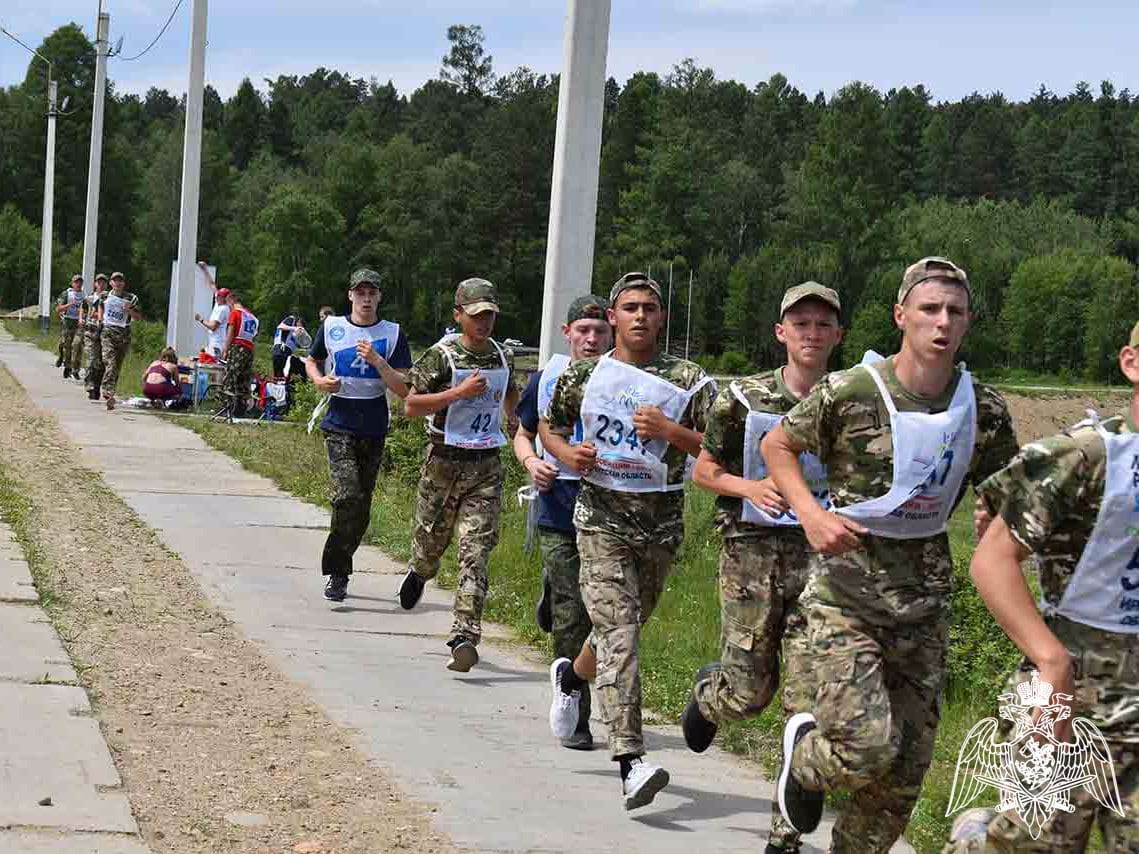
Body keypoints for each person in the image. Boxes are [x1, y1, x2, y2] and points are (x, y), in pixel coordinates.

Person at [760, 257, 1018, 851]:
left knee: (902, 778)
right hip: (845, 596)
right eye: (929, 309)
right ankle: (803, 762)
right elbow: (779, 444)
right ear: (902, 315)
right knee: (866, 746)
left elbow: (1004, 488)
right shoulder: (851, 391)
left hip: (923, 603)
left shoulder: (985, 408)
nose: (942, 322)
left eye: (955, 312)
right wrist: (812, 513)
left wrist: (995, 513)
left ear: (968, 323)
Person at [941, 324, 1139, 853]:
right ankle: (979, 837)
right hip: (1069, 697)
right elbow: (993, 559)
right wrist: (1051, 663)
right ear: (1131, 363)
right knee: (1032, 845)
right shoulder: (1087, 456)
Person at [541, 271, 715, 811]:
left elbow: (723, 447)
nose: (640, 316)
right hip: (600, 519)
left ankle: (571, 677)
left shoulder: (689, 380)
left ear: (661, 318)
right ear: (613, 318)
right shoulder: (585, 375)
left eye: (650, 308)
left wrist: (672, 433)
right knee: (621, 635)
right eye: (630, 307)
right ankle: (631, 761)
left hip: (660, 523)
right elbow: (551, 426)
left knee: (623, 627)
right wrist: (567, 456)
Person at [685, 282, 842, 854]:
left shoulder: (850, 398)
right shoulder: (743, 398)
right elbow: (704, 470)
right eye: (800, 323)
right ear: (781, 333)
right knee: (749, 692)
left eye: (822, 324)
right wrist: (748, 486)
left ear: (837, 336)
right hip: (750, 553)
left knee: (807, 704)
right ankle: (708, 695)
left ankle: (786, 836)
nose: (811, 333)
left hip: (821, 558)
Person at [399, 278, 519, 673]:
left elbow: (510, 392)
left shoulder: (503, 356)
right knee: (431, 543)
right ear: (459, 315)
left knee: (476, 553)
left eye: (489, 315)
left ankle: (464, 636)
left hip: (485, 466)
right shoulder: (441, 356)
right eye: (476, 315)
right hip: (443, 463)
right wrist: (457, 394)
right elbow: (412, 405)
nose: (483, 323)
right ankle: (420, 570)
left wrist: (514, 420)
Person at [512, 294, 612, 750]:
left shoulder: (621, 380)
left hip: (610, 508)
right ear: (566, 333)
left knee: (603, 612)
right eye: (583, 331)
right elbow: (523, 433)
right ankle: (580, 717)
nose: (591, 339)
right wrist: (532, 462)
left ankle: (554, 592)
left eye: (599, 331)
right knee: (574, 616)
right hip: (558, 505)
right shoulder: (547, 376)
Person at [306, 269, 412, 603]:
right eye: (360, 292)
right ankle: (337, 572)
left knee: (361, 507)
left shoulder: (392, 334)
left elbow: (404, 387)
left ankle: (342, 562)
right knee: (347, 495)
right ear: (350, 295)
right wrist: (319, 381)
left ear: (379, 297)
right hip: (340, 421)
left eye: (372, 292)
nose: (366, 298)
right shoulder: (333, 326)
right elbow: (312, 359)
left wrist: (379, 361)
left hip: (374, 423)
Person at [99, 272, 142, 411]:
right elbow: (99, 306)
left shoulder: (131, 298)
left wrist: (129, 310)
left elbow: (138, 317)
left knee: (116, 367)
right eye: (115, 281)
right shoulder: (105, 296)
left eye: (120, 281)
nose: (117, 283)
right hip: (107, 332)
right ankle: (107, 392)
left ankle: (110, 391)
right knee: (109, 363)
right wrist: (100, 319)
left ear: (124, 283)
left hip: (123, 335)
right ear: (111, 283)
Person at [221, 293, 259, 417]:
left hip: (238, 347)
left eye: (228, 305)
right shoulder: (253, 317)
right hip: (249, 349)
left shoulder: (235, 313)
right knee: (244, 381)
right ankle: (243, 409)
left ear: (231, 301)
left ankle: (227, 408)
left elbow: (231, 332)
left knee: (230, 378)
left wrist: (225, 349)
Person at [194, 261, 232, 363]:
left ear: (225, 298)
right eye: (218, 295)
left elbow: (213, 326)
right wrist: (204, 270)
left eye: (220, 296)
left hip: (217, 344)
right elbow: (212, 284)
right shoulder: (218, 303)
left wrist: (200, 319)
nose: (217, 297)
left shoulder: (224, 309)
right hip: (214, 342)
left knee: (212, 366)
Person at [80, 273, 107, 401]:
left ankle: (97, 386)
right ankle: (89, 385)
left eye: (103, 282)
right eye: (99, 282)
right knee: (91, 360)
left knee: (101, 363)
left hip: (103, 333)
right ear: (95, 283)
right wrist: (81, 318)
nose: (101, 284)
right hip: (90, 332)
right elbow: (83, 308)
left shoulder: (109, 298)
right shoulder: (90, 298)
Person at [55, 274, 84, 379]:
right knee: (65, 345)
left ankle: (75, 369)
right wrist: (68, 305)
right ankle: (64, 361)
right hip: (67, 321)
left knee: (77, 344)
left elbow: (87, 309)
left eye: (80, 282)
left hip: (79, 323)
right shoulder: (66, 294)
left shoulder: (84, 295)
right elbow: (58, 309)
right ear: (72, 283)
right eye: (76, 282)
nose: (78, 284)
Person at [272, 312, 307, 377]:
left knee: (284, 375)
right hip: (281, 349)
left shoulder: (295, 334)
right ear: (299, 322)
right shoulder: (291, 319)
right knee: (279, 375)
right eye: (300, 327)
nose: (300, 329)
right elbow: (280, 326)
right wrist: (295, 328)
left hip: (287, 352)